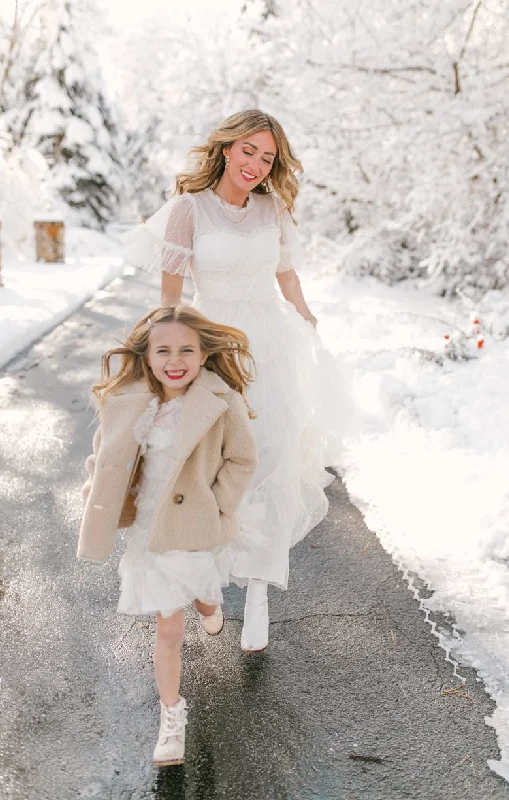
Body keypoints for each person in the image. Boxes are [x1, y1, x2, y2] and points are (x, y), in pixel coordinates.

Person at [123, 109, 350, 654]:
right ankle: (212, 580)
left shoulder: (274, 209)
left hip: (272, 348)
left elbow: (286, 274)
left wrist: (308, 319)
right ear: (226, 149)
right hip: (217, 353)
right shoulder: (188, 209)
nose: (255, 164)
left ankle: (260, 593)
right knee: (220, 473)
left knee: (272, 462)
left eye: (267, 157)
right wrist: (169, 357)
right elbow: (172, 297)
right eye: (248, 150)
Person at [77, 304, 259, 767]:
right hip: (150, 532)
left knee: (201, 600)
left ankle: (211, 603)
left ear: (203, 355)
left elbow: (242, 460)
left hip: (197, 524)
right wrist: (95, 493)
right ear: (148, 355)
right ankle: (172, 719)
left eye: (186, 350)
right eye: (163, 350)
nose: (174, 360)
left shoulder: (221, 401)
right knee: (169, 626)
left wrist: (219, 506)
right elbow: (104, 457)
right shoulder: (128, 400)